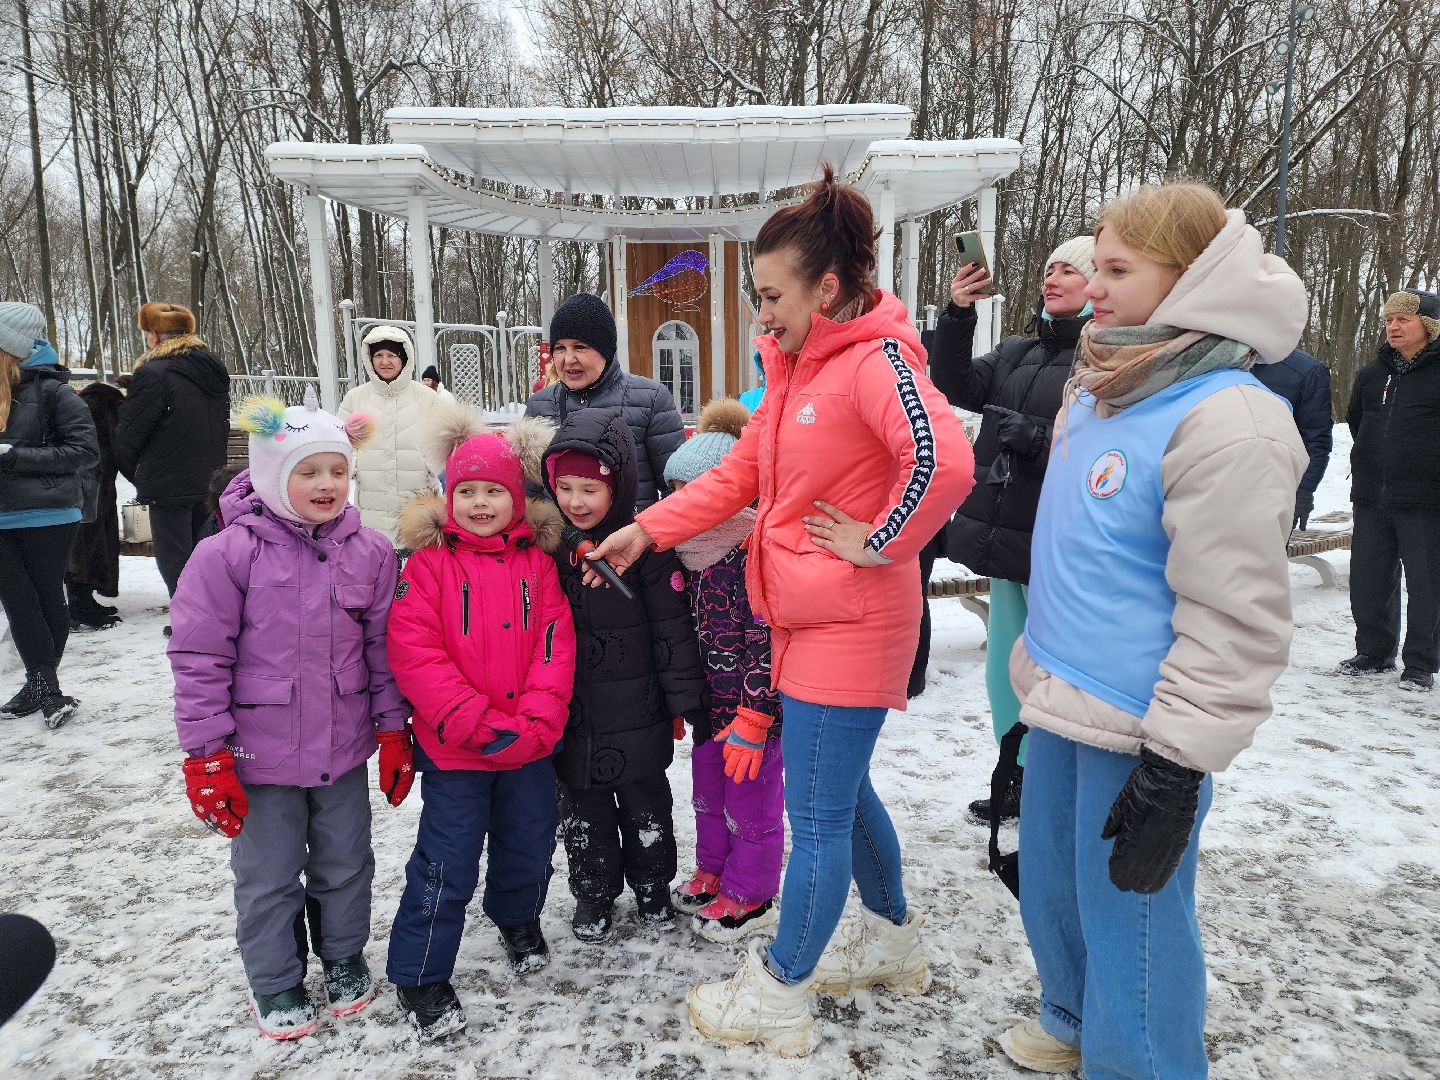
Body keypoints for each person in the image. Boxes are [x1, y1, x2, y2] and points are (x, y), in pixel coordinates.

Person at [590, 166, 974, 1056]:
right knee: (844, 794)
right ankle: (890, 938)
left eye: (772, 294)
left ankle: (779, 989)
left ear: (827, 288)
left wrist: (881, 541)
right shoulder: (799, 368)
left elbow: (943, 462)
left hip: (851, 621)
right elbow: (736, 474)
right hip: (805, 619)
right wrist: (645, 531)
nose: (761, 312)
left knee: (820, 814)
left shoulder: (874, 361)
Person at [998, 183, 1307, 1076]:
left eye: (1119, 269)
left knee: (1132, 913)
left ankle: (1143, 1062)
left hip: (1144, 722)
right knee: (1053, 880)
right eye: (1096, 265)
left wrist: (1177, 762)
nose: (1094, 286)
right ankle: (1073, 1015)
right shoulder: (1105, 385)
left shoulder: (1229, 418)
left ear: (1191, 278)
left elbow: (1235, 614)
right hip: (1064, 689)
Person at [168, 392, 412, 1040]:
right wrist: (206, 754)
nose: (326, 484)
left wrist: (393, 729)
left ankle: (342, 955)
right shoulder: (226, 556)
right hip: (259, 756)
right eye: (309, 472)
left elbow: (384, 653)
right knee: (269, 872)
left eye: (337, 469)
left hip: (342, 746)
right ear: (276, 475)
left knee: (345, 861)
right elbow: (198, 659)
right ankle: (275, 980)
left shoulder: (371, 553)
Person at [384, 408, 576, 1040]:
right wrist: (471, 721)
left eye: (494, 490)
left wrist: (539, 719)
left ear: (517, 498)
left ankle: (517, 916)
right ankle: (421, 972)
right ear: (448, 496)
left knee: (529, 839)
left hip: (527, 743)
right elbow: (417, 653)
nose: (480, 502)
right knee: (447, 859)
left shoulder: (538, 565)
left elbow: (554, 641)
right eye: (466, 491)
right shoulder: (428, 567)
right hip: (457, 749)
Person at [929, 236, 1096, 823]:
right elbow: (954, 384)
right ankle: (1014, 775)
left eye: (1068, 271)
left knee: (1056, 673)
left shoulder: (1106, 357)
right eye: (1048, 268)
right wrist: (957, 315)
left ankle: (1057, 783)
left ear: (1097, 284)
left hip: (1060, 544)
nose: (1051, 279)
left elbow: (1110, 449)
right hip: (1008, 535)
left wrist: (1040, 439)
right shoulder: (1018, 349)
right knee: (1007, 671)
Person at [540, 407, 706, 943]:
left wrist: (685, 703)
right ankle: (593, 892)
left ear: (619, 483)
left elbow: (671, 629)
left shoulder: (646, 549)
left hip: (640, 711)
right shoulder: (551, 550)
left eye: (589, 488)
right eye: (564, 487)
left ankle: (653, 887)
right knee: (582, 814)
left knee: (646, 807)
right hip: (573, 715)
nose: (575, 501)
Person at [663, 398, 784, 944]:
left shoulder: (752, 558)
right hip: (709, 706)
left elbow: (767, 644)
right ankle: (715, 868)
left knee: (751, 803)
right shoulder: (685, 563)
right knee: (708, 794)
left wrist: (756, 714)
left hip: (751, 713)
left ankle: (751, 891)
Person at [0, 303, 99, 728]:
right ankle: (45, 685)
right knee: (18, 600)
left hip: (47, 513)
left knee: (43, 597)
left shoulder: (54, 391)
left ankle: (42, 683)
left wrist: (14, 456)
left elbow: (85, 452)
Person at [1340, 288, 1440, 692]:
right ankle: (1374, 652)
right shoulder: (1373, 372)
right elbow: (1356, 421)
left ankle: (1420, 663)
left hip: (1426, 499)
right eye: (1388, 321)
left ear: (1428, 327)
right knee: (1369, 578)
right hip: (1371, 496)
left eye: (1403, 320)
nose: (1393, 327)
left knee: (1427, 583)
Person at [115, 302, 230, 625]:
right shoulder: (212, 369)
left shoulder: (152, 373)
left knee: (174, 557)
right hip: (209, 478)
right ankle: (211, 615)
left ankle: (190, 620)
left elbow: (130, 435)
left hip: (167, 483)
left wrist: (139, 474)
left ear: (154, 336)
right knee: (204, 552)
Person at [524, 294, 685, 510]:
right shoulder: (539, 406)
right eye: (560, 348)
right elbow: (529, 496)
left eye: (580, 347)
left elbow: (676, 488)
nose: (568, 359)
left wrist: (650, 536)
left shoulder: (650, 398)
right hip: (562, 542)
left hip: (631, 539)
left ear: (605, 350)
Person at [338, 325, 440, 545]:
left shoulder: (426, 398)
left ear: (404, 358)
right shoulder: (355, 398)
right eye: (378, 355)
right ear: (370, 359)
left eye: (392, 355)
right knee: (376, 562)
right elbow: (341, 445)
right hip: (371, 501)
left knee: (418, 567)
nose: (385, 361)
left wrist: (429, 465)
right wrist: (353, 466)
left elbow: (442, 443)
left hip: (416, 498)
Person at [67, 379, 127, 630]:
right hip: (94, 483)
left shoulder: (85, 405)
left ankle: (83, 600)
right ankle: (79, 606)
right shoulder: (107, 409)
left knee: (85, 543)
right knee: (90, 543)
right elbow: (121, 448)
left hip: (84, 483)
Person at [1252, 347, 1332, 529]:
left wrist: (1304, 490)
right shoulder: (1211, 360)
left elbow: (1315, 438)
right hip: (1211, 487)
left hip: (1272, 492)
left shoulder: (1306, 370)